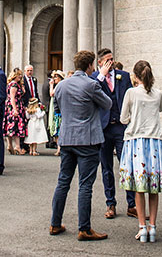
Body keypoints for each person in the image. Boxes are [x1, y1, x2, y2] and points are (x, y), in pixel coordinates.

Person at [49, 49, 112, 241]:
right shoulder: (91, 84)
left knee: (63, 181)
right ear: (90, 66)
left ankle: (55, 223)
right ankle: (84, 228)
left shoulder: (61, 85)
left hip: (67, 138)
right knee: (85, 185)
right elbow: (107, 104)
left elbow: (57, 109)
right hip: (87, 139)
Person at [119, 60, 162, 243]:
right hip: (154, 141)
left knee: (139, 187)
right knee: (153, 187)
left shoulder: (131, 93)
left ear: (135, 76)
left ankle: (142, 227)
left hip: (136, 141)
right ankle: (153, 227)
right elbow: (161, 108)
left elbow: (123, 118)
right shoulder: (158, 93)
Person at [92, 48, 137, 219]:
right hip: (103, 128)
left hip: (120, 127)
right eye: (107, 60)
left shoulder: (123, 76)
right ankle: (110, 203)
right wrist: (101, 76)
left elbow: (131, 98)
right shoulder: (94, 78)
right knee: (106, 168)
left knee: (126, 165)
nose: (111, 63)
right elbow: (92, 94)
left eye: (112, 59)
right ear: (100, 62)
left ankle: (132, 204)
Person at [3, 69, 28, 155]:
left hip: (13, 105)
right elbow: (12, 97)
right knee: (16, 125)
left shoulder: (14, 84)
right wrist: (15, 109)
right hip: (14, 105)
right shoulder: (14, 84)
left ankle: (10, 145)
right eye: (18, 75)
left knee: (10, 125)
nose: (20, 77)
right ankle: (17, 146)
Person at [48, 70, 64, 155]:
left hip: (58, 109)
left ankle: (59, 148)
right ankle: (59, 148)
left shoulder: (59, 86)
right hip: (57, 108)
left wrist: (51, 85)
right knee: (57, 130)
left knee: (58, 129)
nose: (54, 79)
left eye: (56, 77)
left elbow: (52, 93)